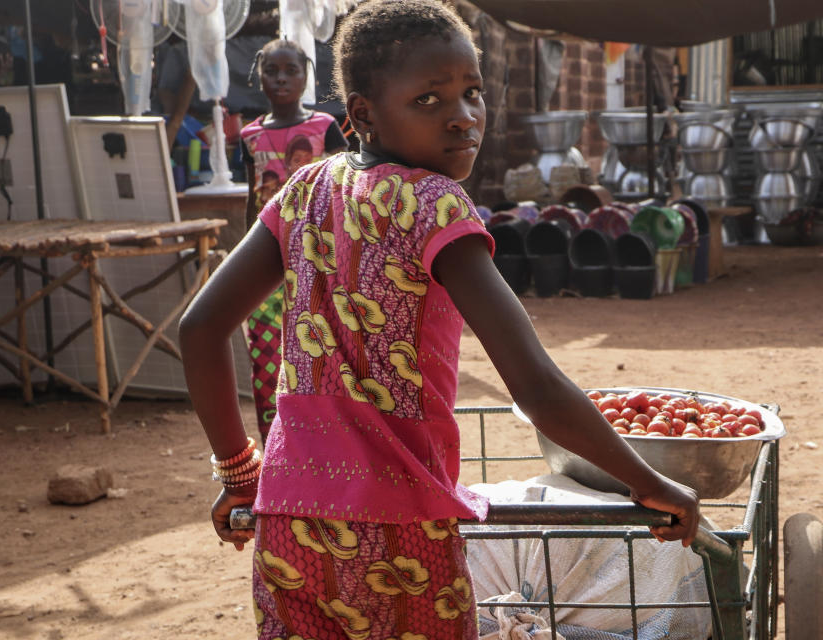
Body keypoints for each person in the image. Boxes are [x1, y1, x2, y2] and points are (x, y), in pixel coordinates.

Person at [178, 2, 700, 639]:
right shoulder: (435, 206)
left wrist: (239, 474)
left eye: (472, 92)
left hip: (290, 516)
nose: (463, 117)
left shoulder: (306, 189)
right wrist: (652, 484)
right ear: (364, 114)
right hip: (400, 527)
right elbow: (535, 387)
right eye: (429, 99)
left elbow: (200, 328)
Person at [239, 38, 349, 442]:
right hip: (268, 259)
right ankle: (275, 448)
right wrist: (244, 254)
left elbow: (343, 190)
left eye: (291, 71)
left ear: (307, 75)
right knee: (268, 356)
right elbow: (251, 201)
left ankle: (328, 439)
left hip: (323, 260)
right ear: (260, 76)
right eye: (272, 71)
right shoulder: (249, 136)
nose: (281, 79)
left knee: (327, 350)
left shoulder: (325, 128)